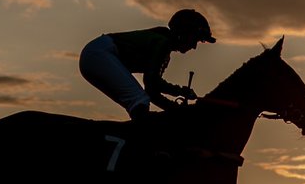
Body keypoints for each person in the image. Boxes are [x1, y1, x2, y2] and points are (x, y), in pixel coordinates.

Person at [78, 9, 215, 120]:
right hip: (99, 54)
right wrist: (178, 97)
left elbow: (152, 90)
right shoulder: (162, 43)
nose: (195, 46)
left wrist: (175, 108)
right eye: (196, 39)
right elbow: (152, 84)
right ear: (184, 33)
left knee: (138, 101)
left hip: (95, 54)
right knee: (138, 99)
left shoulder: (163, 46)